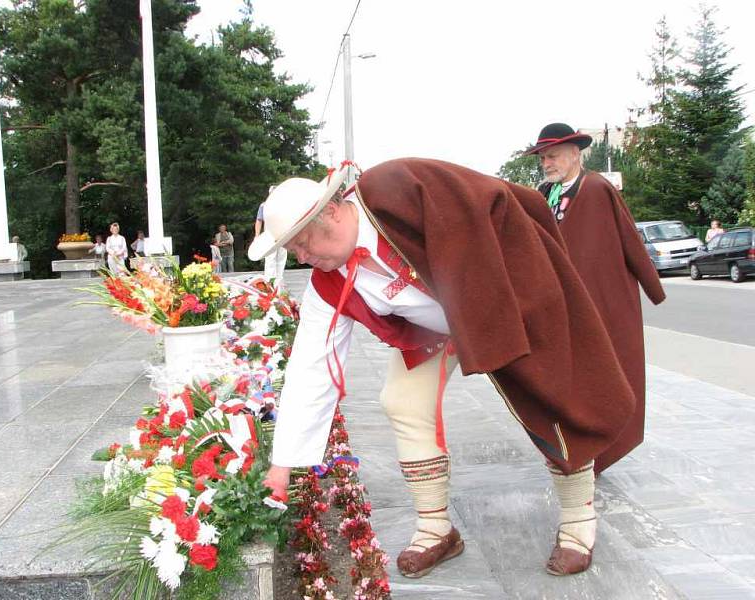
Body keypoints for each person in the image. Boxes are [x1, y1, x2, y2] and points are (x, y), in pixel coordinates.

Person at [249, 159, 639, 578]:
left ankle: (578, 521)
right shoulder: (326, 284)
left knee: (550, 395)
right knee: (400, 400)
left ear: (329, 210)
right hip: (434, 330)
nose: (303, 258)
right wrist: (282, 465)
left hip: (503, 303)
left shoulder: (392, 189)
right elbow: (312, 368)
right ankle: (437, 529)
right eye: (294, 252)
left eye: (303, 243)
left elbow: (491, 197)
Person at [525, 123, 666, 473]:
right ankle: (579, 446)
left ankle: (599, 451)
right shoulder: (545, 192)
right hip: (563, 305)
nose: (547, 163)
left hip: (600, 303)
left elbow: (628, 237)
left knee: (607, 374)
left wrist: (653, 287)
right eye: (543, 158)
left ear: (575, 154)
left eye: (553, 156)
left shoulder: (597, 188)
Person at [256, 193, 287, 284]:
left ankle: (279, 280)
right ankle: (269, 281)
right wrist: (257, 235)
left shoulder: (284, 205)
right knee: (270, 259)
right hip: (269, 236)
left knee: (281, 258)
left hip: (283, 235)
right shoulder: (264, 205)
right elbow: (259, 220)